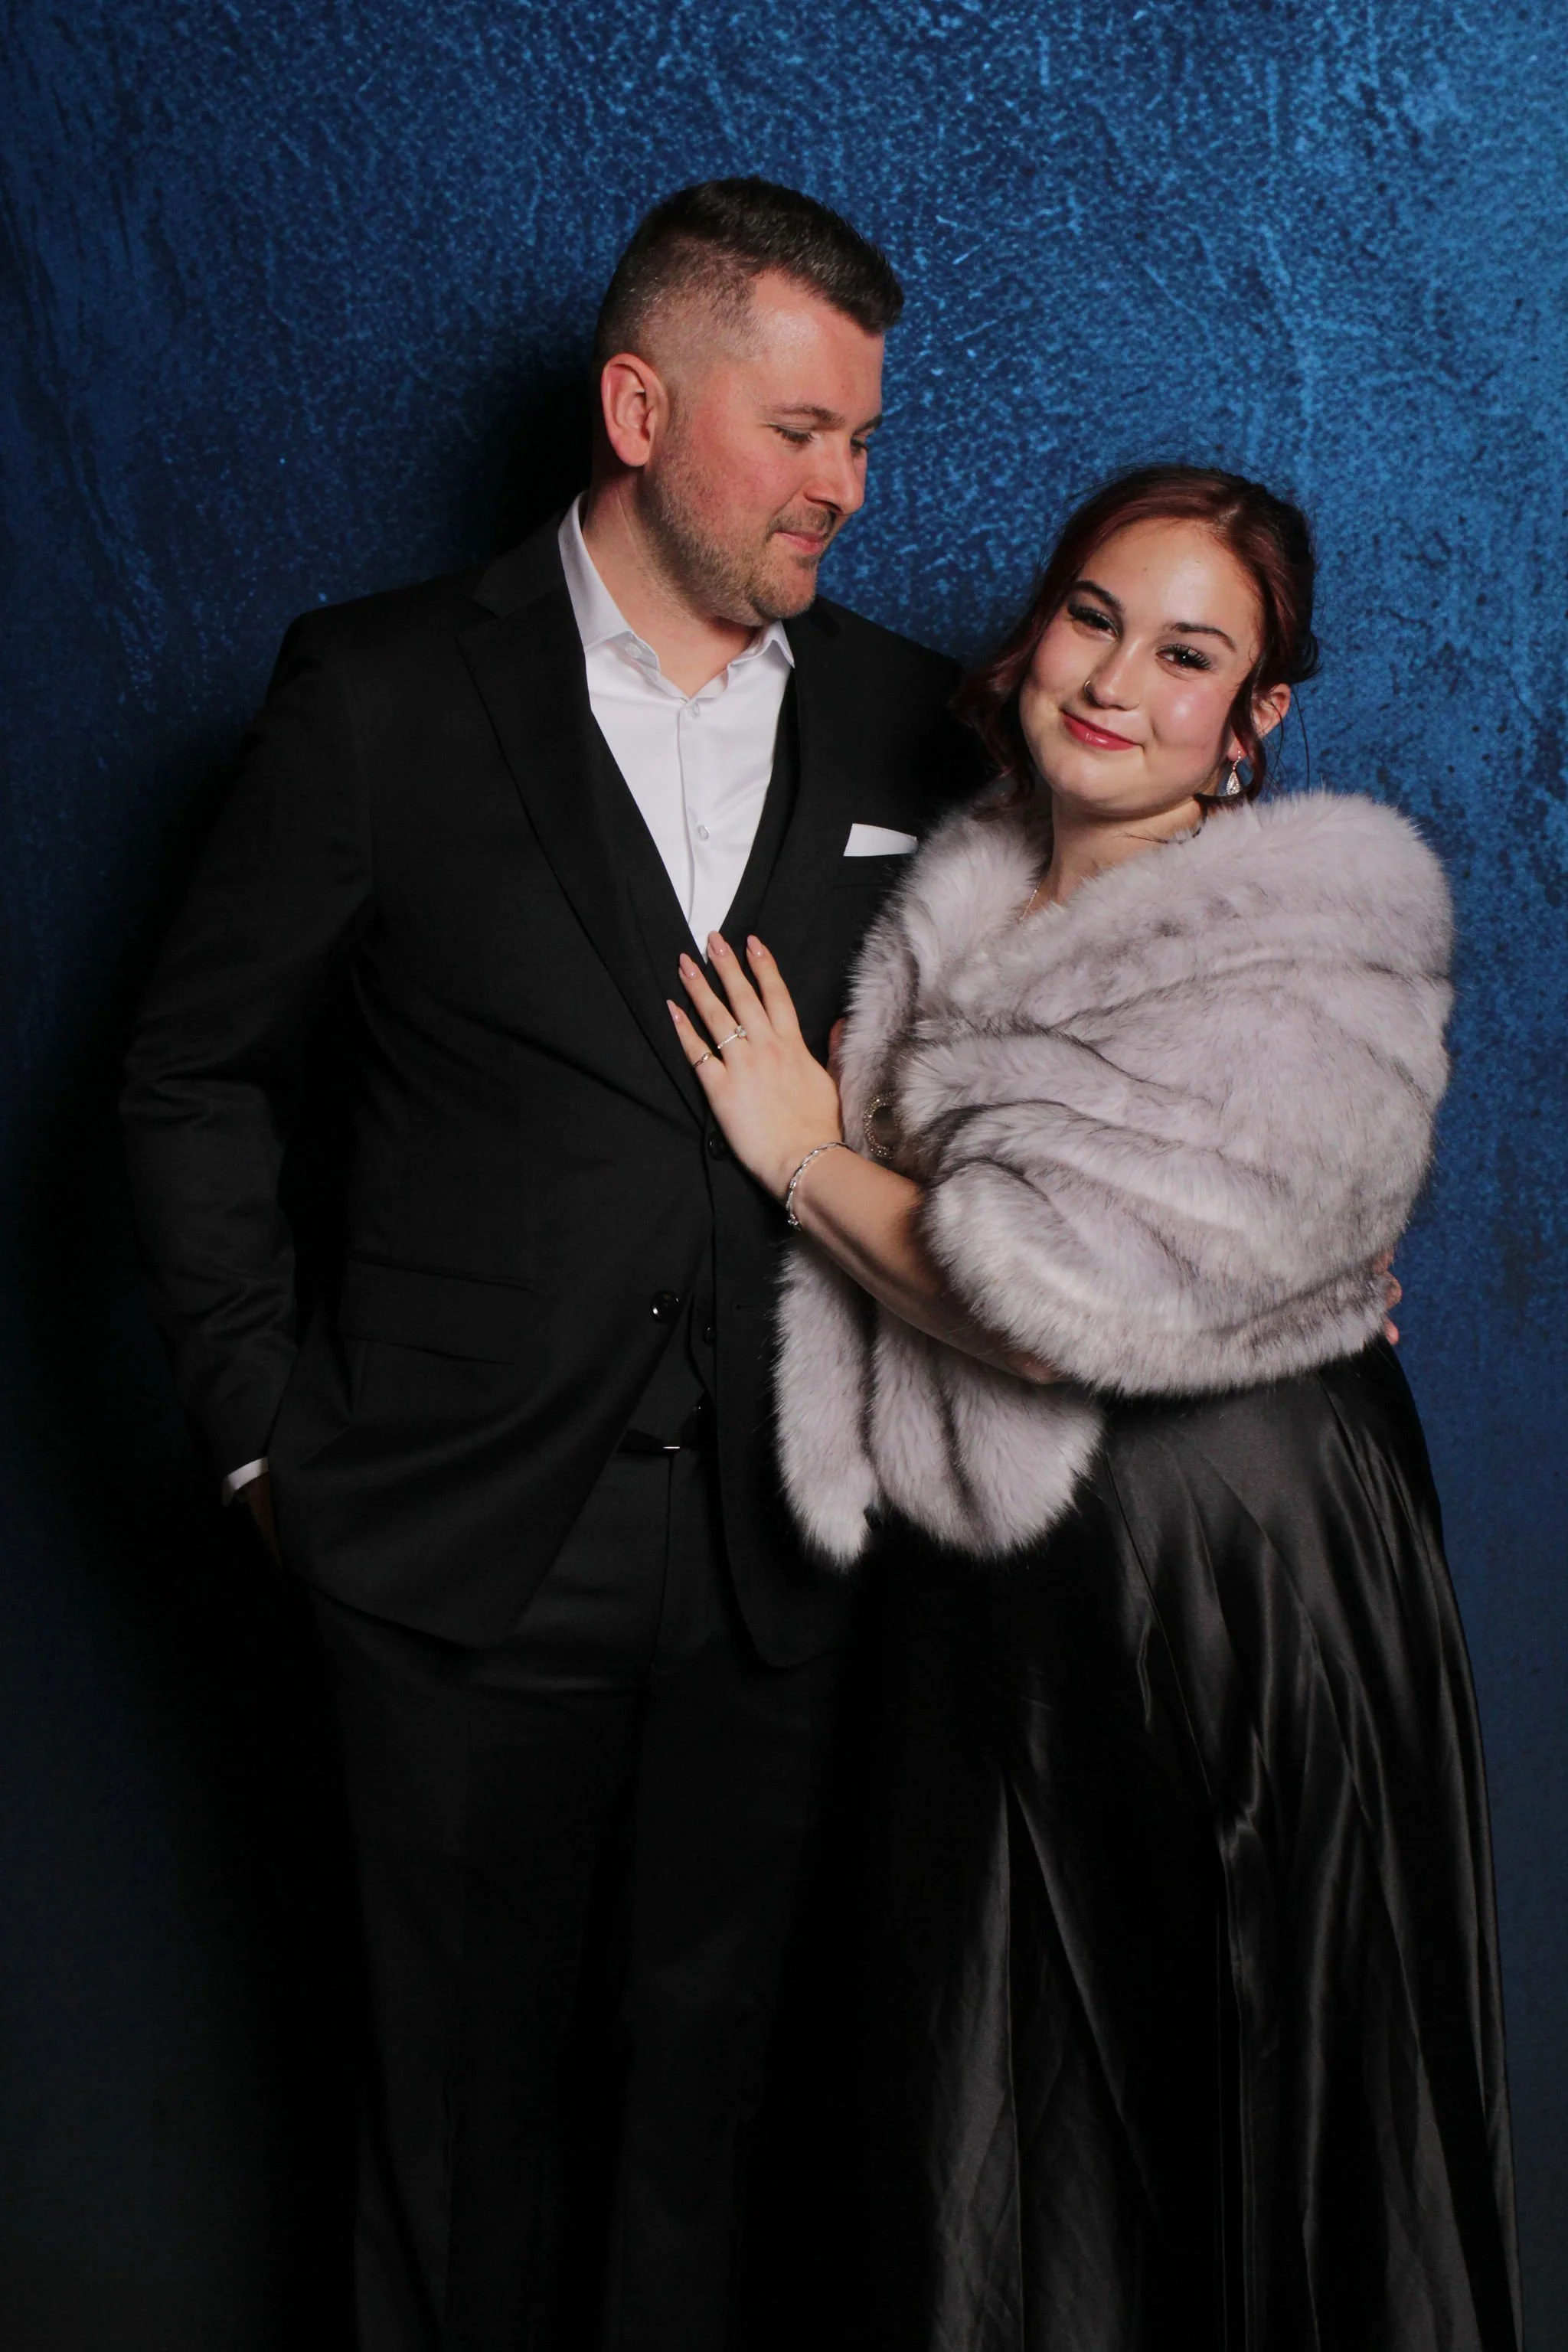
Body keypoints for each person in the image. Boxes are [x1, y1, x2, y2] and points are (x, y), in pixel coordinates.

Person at [120, 178, 976, 2351]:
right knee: (448, 2141)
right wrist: (262, 1447)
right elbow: (190, 1076)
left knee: (716, 2138)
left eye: (864, 442)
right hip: (445, 1545)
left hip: (782, 1561)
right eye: (800, 435)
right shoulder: (384, 693)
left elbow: (1059, 996)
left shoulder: (907, 721)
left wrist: (1258, 1239)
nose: (845, 490)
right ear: (636, 401)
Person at [670, 465, 1521, 2350]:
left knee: (1234, 2090)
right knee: (993, 2131)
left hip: (1235, 1593)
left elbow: (1056, 1306)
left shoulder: (1315, 949)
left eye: (1189, 652)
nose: (1118, 678)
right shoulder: (950, 891)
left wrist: (806, 1160)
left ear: (1255, 719)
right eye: (1093, 616)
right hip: (1003, 1605)